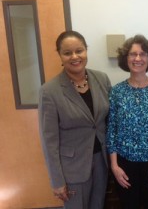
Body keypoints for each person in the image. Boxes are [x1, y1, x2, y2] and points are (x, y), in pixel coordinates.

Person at [38, 30, 111, 209]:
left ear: (86, 50)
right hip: (72, 168)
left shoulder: (101, 79)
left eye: (79, 50)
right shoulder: (50, 91)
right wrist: (57, 180)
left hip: (101, 161)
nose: (75, 56)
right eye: (67, 52)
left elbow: (108, 121)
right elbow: (49, 141)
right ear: (60, 56)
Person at [106, 34, 148, 209]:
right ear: (125, 58)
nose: (137, 58)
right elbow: (111, 129)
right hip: (124, 165)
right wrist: (114, 166)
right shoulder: (117, 91)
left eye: (142, 54)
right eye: (132, 54)